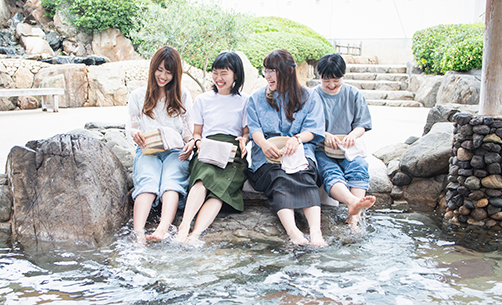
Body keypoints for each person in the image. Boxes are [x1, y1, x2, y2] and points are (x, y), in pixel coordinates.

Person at [246, 49, 326, 247]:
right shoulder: (256, 98)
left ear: (288, 72)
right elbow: (254, 130)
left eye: (272, 70)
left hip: (299, 151)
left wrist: (297, 139)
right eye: (266, 70)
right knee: (279, 177)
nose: (268, 75)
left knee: (305, 174)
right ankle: (294, 232)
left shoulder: (309, 96)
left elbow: (314, 129)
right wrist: (264, 144)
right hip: (267, 156)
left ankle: (316, 232)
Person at [175, 52, 249, 244]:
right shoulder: (203, 100)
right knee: (204, 177)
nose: (218, 78)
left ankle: (195, 234)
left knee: (220, 191)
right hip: (207, 147)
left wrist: (244, 139)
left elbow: (246, 132)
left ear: (236, 75)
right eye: (215, 72)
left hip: (233, 151)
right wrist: (198, 142)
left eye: (224, 73)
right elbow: (197, 132)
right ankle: (184, 227)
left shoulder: (245, 101)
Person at [127, 46, 193, 244]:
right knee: (148, 180)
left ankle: (163, 228)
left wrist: (190, 144)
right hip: (148, 150)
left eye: (169, 72)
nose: (163, 76)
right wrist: (134, 134)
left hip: (175, 151)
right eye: (160, 69)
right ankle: (138, 234)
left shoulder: (183, 95)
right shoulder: (138, 95)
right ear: (153, 68)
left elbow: (188, 132)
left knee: (171, 182)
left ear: (176, 74)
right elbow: (131, 127)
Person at [314, 53, 376, 231]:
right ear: (319, 76)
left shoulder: (353, 94)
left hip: (348, 148)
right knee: (330, 170)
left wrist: (353, 135)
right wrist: (324, 134)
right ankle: (353, 202)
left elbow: (362, 124)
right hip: (322, 149)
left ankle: (353, 218)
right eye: (326, 80)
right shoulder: (312, 96)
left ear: (343, 75)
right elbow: (307, 126)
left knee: (359, 166)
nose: (331, 85)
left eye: (336, 80)